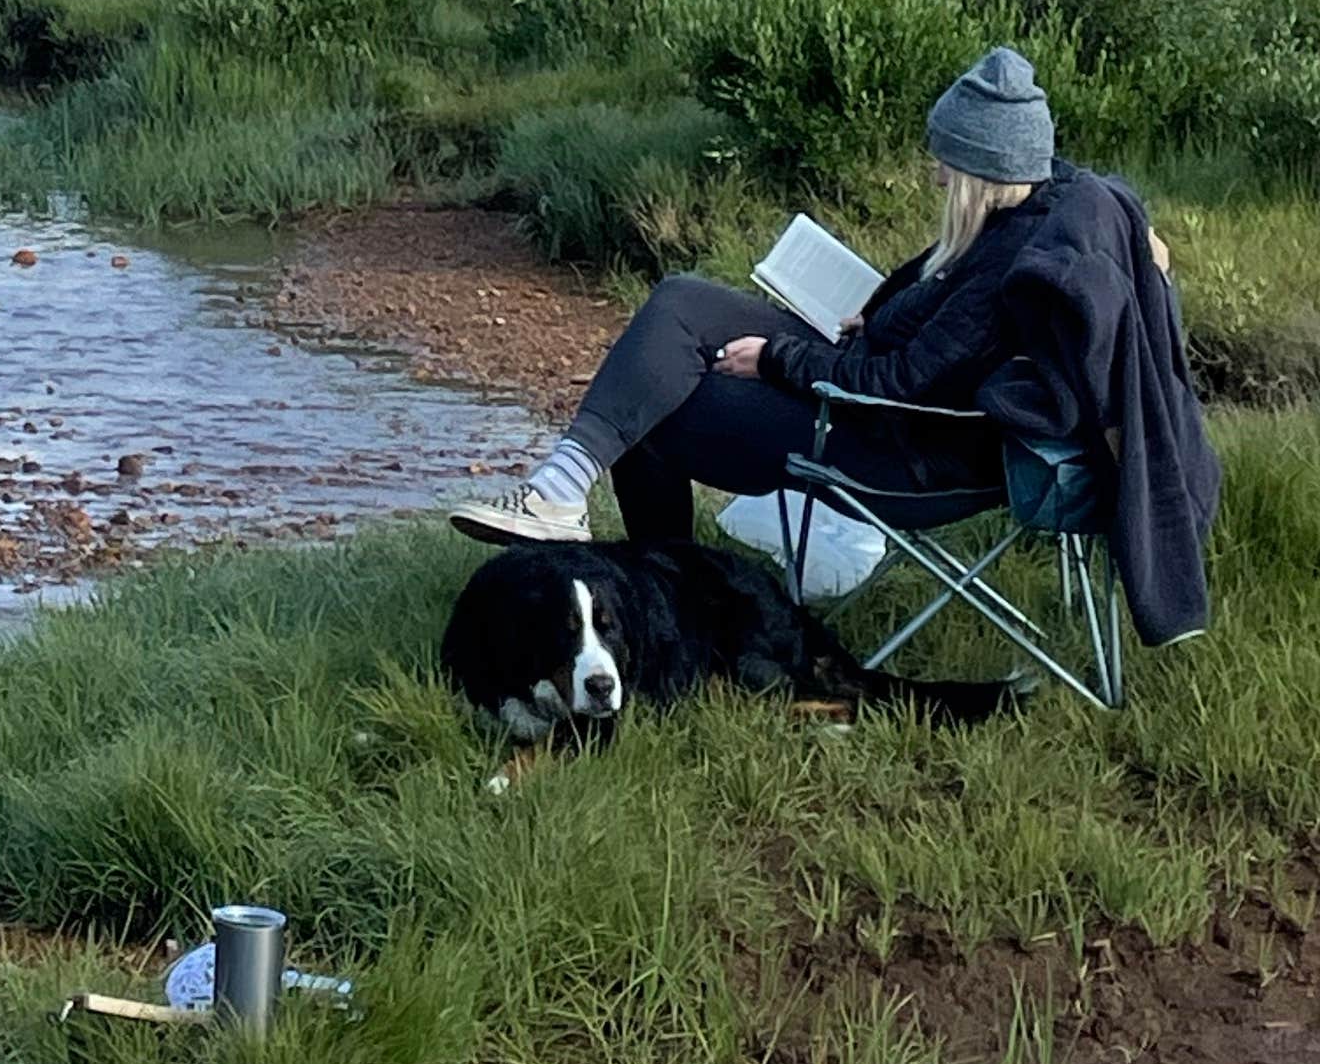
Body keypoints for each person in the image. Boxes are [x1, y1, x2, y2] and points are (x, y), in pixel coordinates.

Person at [450, 47, 1216, 639]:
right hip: (884, 403)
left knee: (657, 417)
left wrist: (778, 359)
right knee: (684, 298)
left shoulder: (1010, 262)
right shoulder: (1047, 207)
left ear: (984, 168)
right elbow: (928, 349)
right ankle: (562, 490)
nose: (934, 174)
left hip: (894, 452)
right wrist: (873, 313)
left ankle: (663, 599)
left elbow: (906, 382)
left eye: (945, 163)